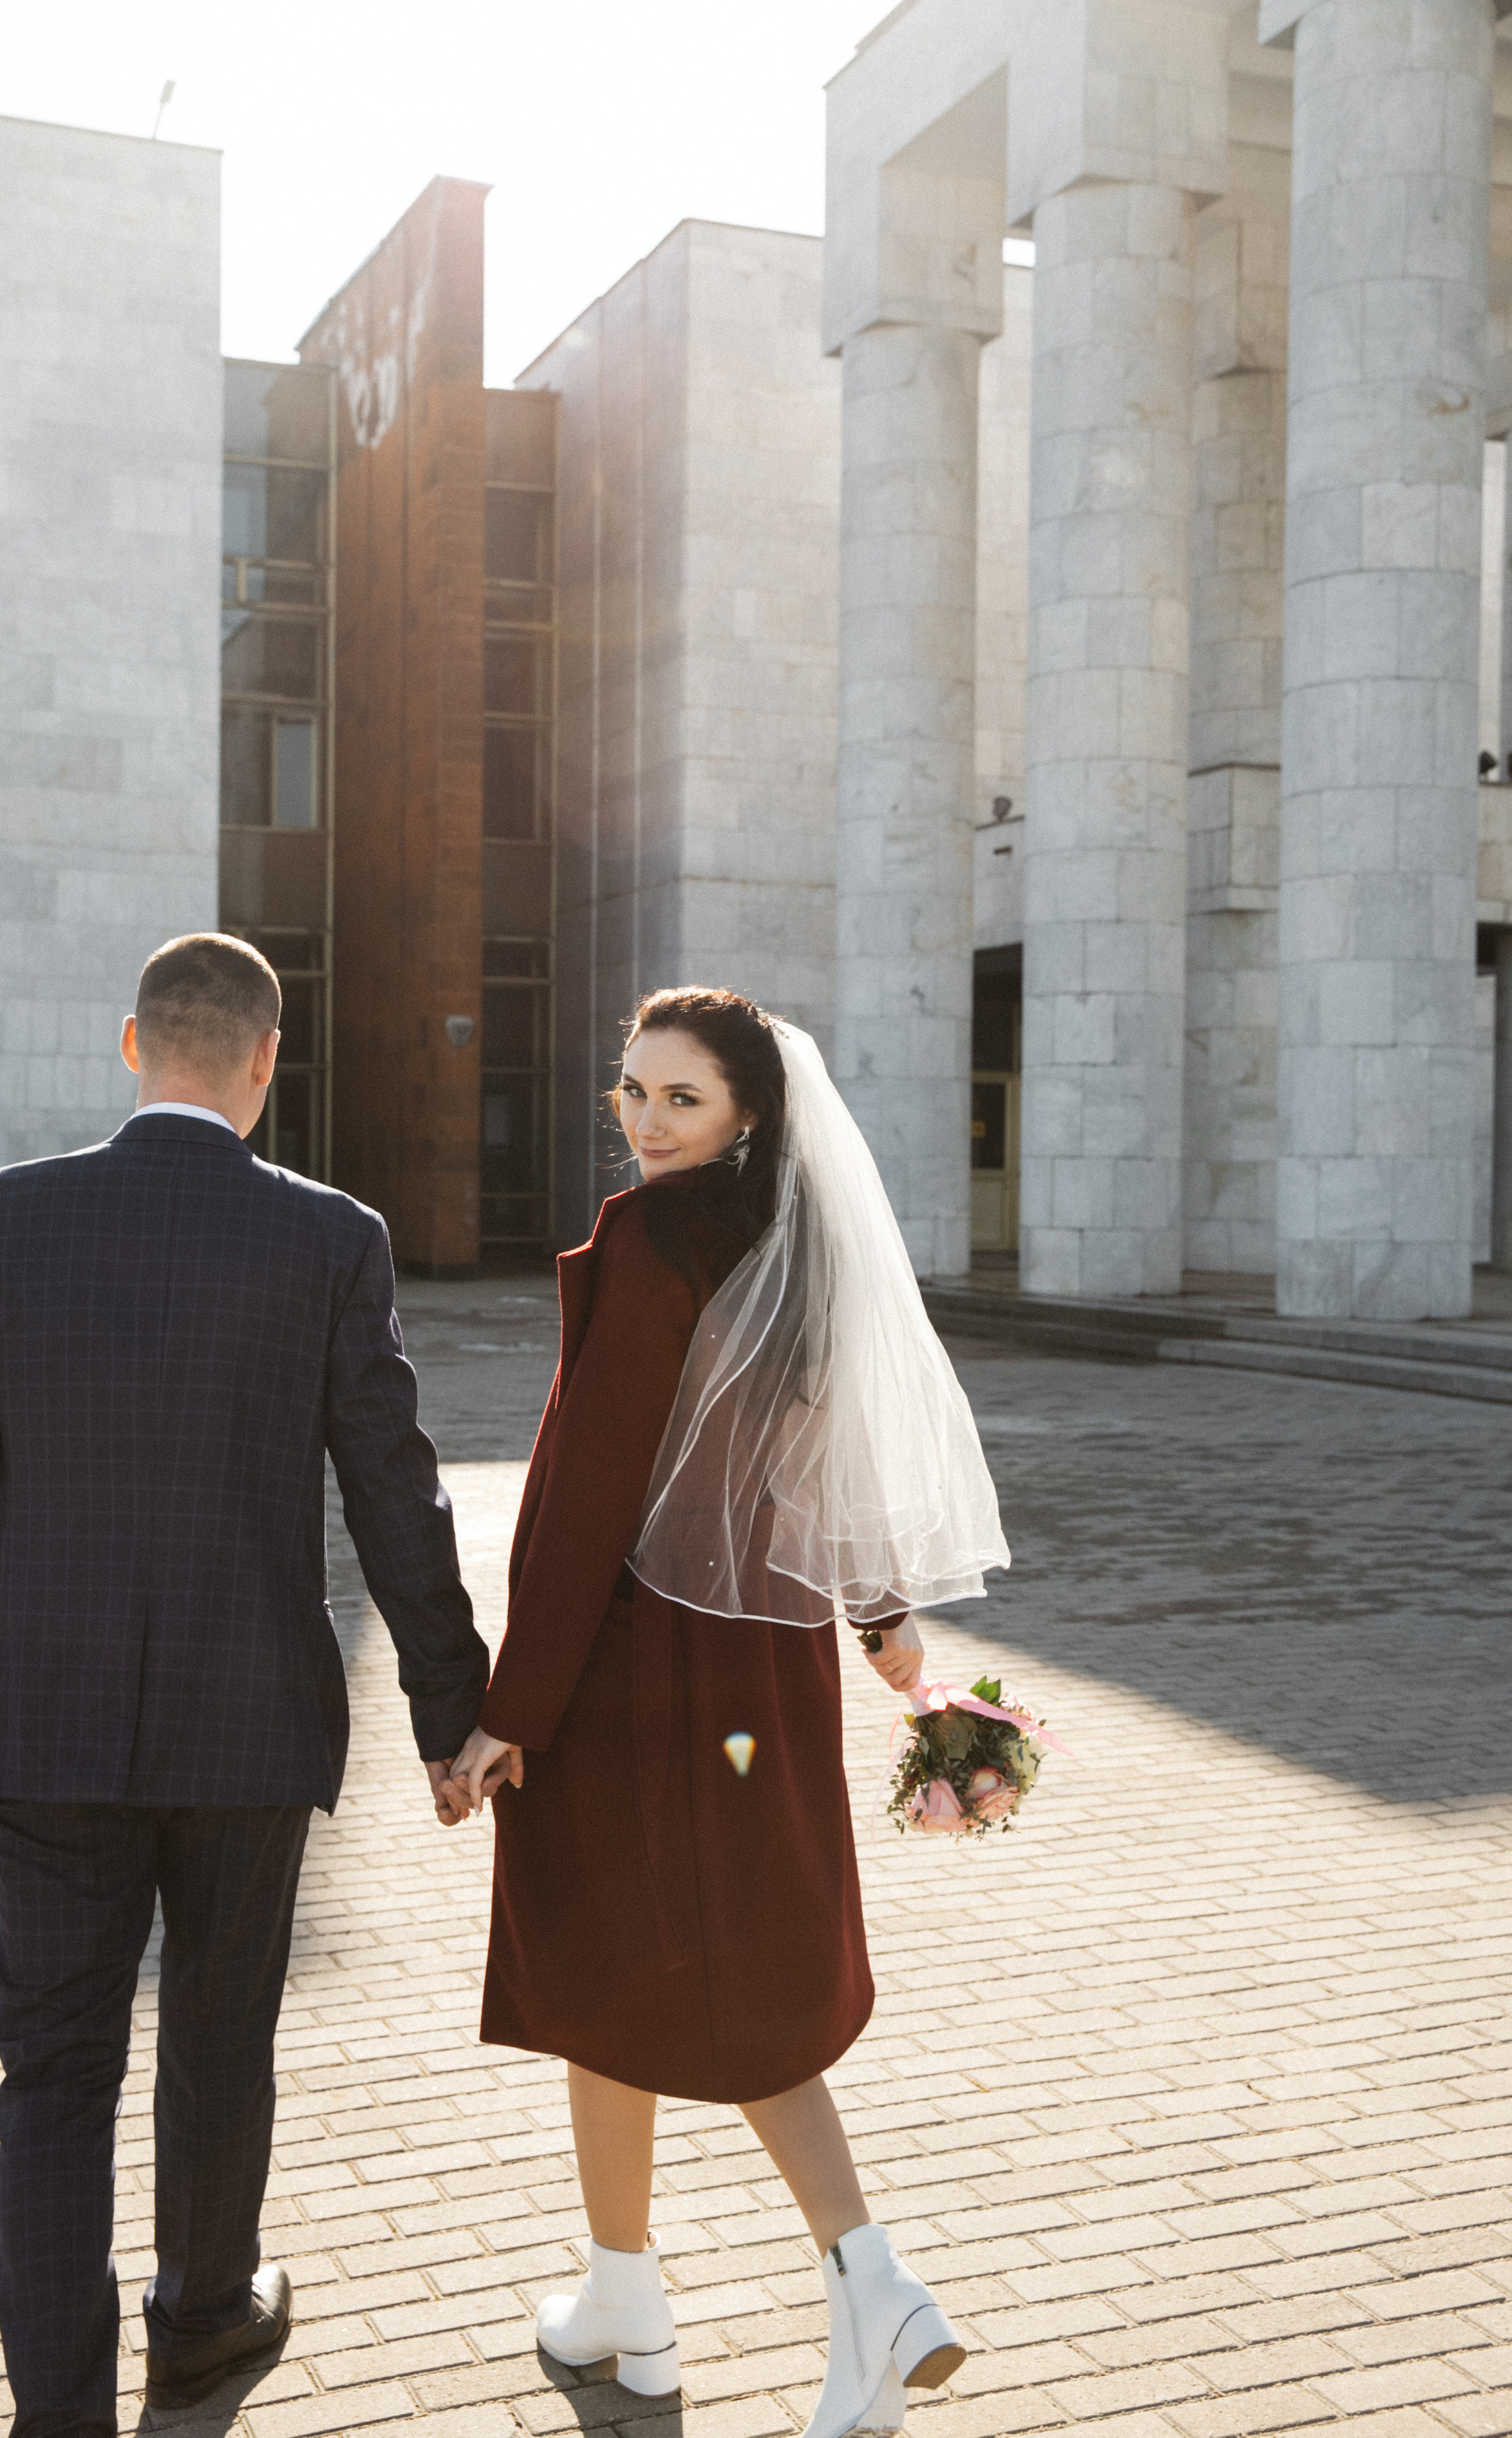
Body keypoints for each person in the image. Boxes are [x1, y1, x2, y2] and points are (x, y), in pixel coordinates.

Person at [0, 933, 490, 2438]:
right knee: (221, 2038)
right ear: (266, 1062)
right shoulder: (329, 1237)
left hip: (36, 1720)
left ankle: (60, 2416)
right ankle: (206, 2321)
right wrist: (450, 1710)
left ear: (130, 1045)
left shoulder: (6, 1217)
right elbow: (394, 1492)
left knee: (53, 2076)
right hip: (248, 1724)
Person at [446, 986, 1010, 2438]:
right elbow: (841, 1459)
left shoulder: (653, 1243)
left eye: (677, 1099)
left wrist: (513, 1707)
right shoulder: (800, 1247)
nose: (642, 1122)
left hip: (640, 1673)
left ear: (745, 1113)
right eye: (628, 1093)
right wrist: (882, 1626)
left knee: (641, 1961)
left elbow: (586, 1493)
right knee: (674, 1967)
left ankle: (867, 2287)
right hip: (765, 1665)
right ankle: (622, 2292)